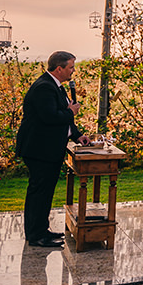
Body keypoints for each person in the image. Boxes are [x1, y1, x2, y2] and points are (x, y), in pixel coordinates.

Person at [16, 51, 91, 248]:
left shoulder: (56, 87)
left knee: (45, 192)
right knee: (38, 192)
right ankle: (35, 235)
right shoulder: (44, 88)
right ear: (59, 68)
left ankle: (43, 230)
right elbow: (50, 118)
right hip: (39, 150)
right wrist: (70, 111)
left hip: (48, 149)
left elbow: (64, 119)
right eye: (71, 67)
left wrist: (77, 135)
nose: (73, 71)